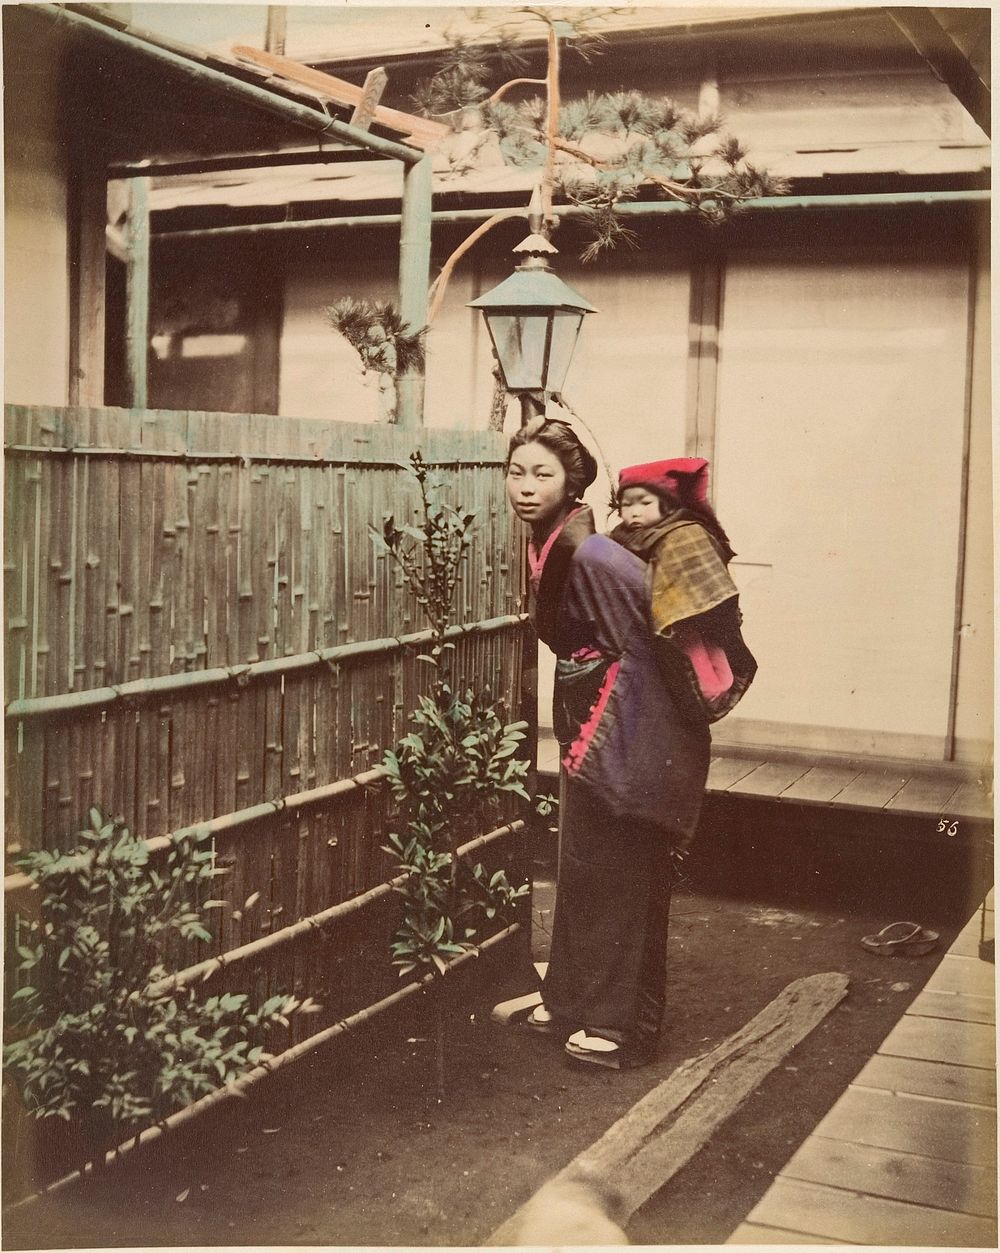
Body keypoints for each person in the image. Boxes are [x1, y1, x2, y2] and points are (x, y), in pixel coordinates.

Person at [505, 418, 710, 1070]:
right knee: (582, 866)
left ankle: (621, 1029)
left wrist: (602, 737)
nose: (526, 486)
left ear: (573, 482)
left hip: (629, 722)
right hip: (590, 719)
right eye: (517, 471)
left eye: (542, 473)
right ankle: (567, 1001)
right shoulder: (548, 541)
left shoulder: (593, 554)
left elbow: (646, 648)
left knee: (621, 872)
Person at [609, 458, 757, 728]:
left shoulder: (683, 533)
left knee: (708, 679)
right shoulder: (620, 538)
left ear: (666, 504)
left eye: (644, 502)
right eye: (626, 504)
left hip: (687, 620)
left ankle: (709, 696)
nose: (634, 512)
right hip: (646, 630)